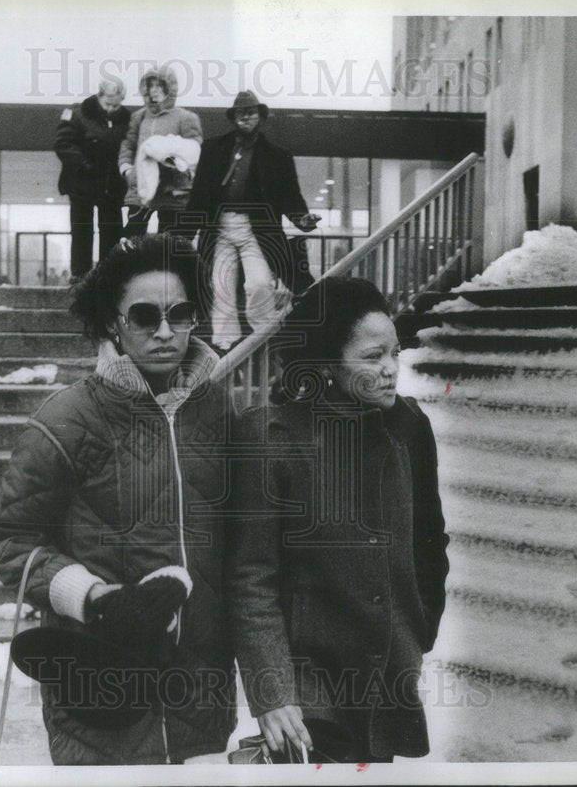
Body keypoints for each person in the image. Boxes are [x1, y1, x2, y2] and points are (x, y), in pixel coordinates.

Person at [0, 234, 237, 765]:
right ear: (113, 324)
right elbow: (9, 542)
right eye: (144, 317)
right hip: (102, 684)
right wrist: (94, 596)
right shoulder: (66, 419)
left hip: (201, 691)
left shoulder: (219, 413)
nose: (165, 332)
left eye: (180, 313)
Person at [229, 276, 450, 763]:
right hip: (308, 684)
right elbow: (252, 579)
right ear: (326, 363)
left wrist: (420, 625)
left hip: (388, 671)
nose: (392, 369)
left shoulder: (410, 427)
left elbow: (430, 540)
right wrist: (272, 690)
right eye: (372, 357)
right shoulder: (271, 437)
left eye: (395, 352)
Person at [183, 90, 321, 352]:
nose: (245, 117)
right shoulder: (213, 149)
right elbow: (199, 194)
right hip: (219, 227)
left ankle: (264, 340)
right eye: (240, 113)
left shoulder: (276, 155)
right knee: (221, 285)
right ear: (233, 117)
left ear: (261, 117)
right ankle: (224, 346)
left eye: (251, 112)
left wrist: (303, 219)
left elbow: (290, 195)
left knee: (258, 283)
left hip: (256, 230)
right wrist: (184, 233)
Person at [55, 78, 131, 280]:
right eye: (108, 104)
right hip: (82, 183)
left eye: (116, 105)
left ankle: (109, 274)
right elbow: (63, 143)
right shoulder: (77, 114)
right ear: (99, 97)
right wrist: (84, 166)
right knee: (81, 230)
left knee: (112, 230)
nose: (112, 109)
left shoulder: (127, 119)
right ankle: (80, 275)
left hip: (111, 185)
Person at [118, 67, 202, 237]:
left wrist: (177, 166)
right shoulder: (139, 117)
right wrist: (127, 169)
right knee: (132, 239)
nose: (154, 90)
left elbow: (194, 149)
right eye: (151, 86)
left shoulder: (186, 117)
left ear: (169, 89)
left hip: (171, 191)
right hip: (141, 190)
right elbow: (128, 144)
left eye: (159, 86)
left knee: (168, 243)